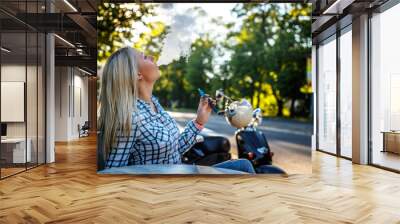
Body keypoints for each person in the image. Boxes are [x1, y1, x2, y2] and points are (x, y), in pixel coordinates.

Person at [98, 46, 255, 174]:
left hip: (181, 173)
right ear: (137, 74)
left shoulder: (155, 106)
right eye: (145, 57)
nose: (152, 57)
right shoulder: (130, 118)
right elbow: (112, 171)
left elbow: (175, 149)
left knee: (244, 166)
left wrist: (200, 121)